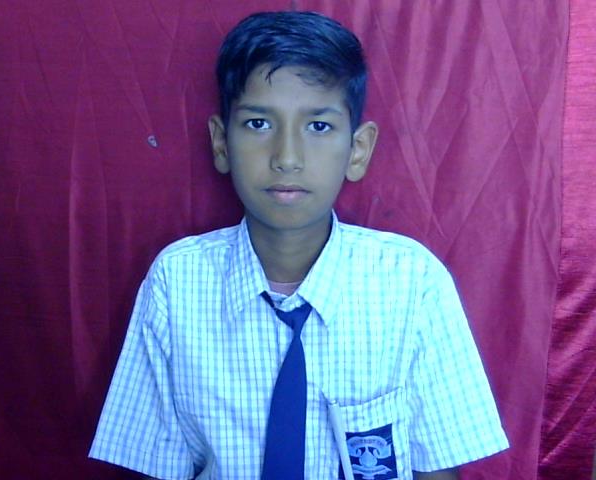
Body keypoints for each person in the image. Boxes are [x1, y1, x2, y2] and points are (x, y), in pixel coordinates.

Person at [89, 10, 509, 480]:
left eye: (319, 127)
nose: (287, 157)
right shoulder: (177, 282)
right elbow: (155, 468)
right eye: (258, 124)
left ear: (358, 150)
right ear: (221, 143)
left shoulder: (413, 284)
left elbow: (438, 471)